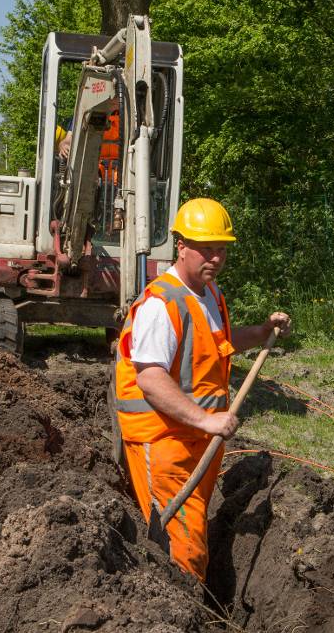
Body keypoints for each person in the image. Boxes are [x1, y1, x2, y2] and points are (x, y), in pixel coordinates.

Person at [112, 197, 290, 582]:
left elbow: (219, 343)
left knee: (195, 528)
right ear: (181, 246)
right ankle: (182, 620)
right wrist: (206, 420)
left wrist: (261, 333)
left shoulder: (210, 295)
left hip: (200, 441)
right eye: (206, 248)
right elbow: (151, 379)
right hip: (163, 443)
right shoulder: (162, 304)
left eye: (221, 249)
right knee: (184, 550)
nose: (215, 257)